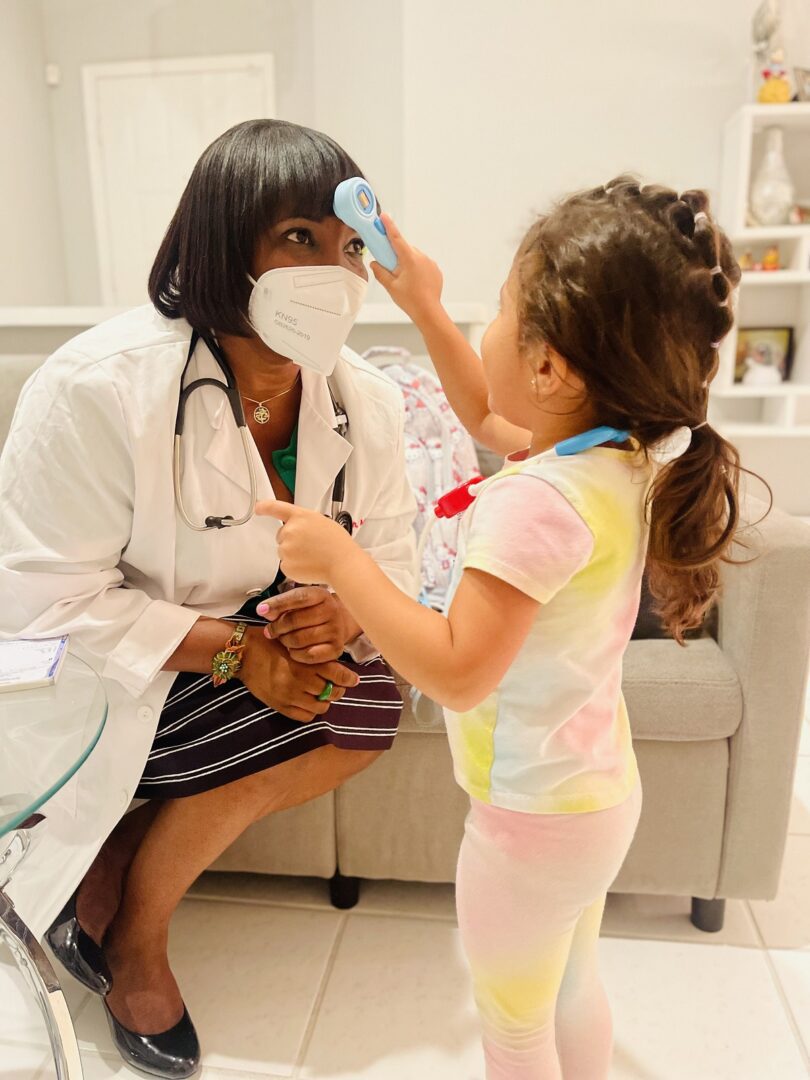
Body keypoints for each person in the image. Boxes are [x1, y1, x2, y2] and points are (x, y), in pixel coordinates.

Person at [257, 177, 746, 1079]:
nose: (490, 321)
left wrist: (343, 564)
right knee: (571, 987)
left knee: (513, 1029)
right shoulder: (612, 453)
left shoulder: (533, 504)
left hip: (529, 823)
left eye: (504, 305)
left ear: (554, 367)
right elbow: (488, 413)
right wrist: (429, 305)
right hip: (595, 798)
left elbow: (455, 674)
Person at [0, 120, 416, 1078]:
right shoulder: (97, 388)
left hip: (240, 644)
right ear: (226, 246)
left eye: (350, 244)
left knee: (366, 703)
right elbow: (41, 607)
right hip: (102, 671)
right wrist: (239, 651)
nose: (334, 271)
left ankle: (116, 882)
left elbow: (390, 549)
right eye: (299, 239)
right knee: (313, 702)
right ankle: (139, 943)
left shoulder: (366, 400)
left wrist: (348, 609)